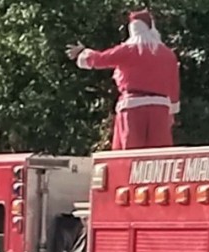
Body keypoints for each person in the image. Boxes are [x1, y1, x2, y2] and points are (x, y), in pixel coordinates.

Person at [66, 9, 180, 150]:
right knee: (158, 157)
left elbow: (100, 59)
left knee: (129, 155)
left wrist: (83, 52)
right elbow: (174, 85)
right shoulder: (168, 55)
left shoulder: (128, 50)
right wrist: (172, 112)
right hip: (160, 108)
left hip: (131, 107)